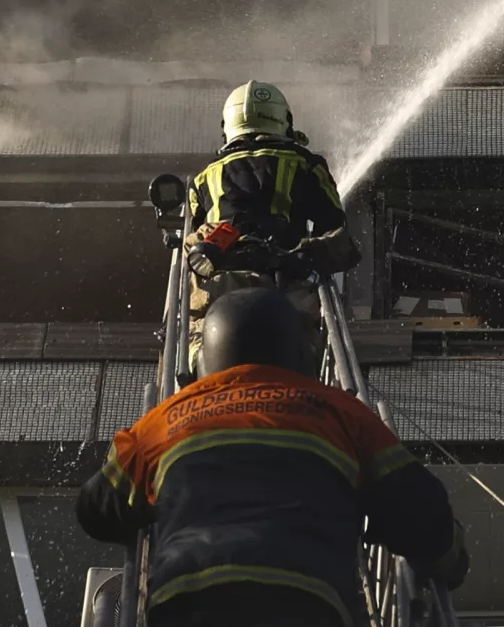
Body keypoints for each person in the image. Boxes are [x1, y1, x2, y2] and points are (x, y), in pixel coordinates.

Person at [78, 287, 467, 626]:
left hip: (187, 597)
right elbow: (422, 511)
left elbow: (96, 509)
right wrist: (450, 562)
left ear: (203, 362)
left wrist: (161, 503)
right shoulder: (343, 413)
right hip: (307, 598)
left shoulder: (163, 421)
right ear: (301, 354)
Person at [184, 82, 359, 364]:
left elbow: (196, 241)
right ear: (285, 121)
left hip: (221, 285)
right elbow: (335, 227)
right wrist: (307, 256)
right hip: (287, 284)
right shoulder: (305, 164)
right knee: (306, 352)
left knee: (197, 344)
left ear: (227, 126)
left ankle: (193, 370)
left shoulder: (203, 178)